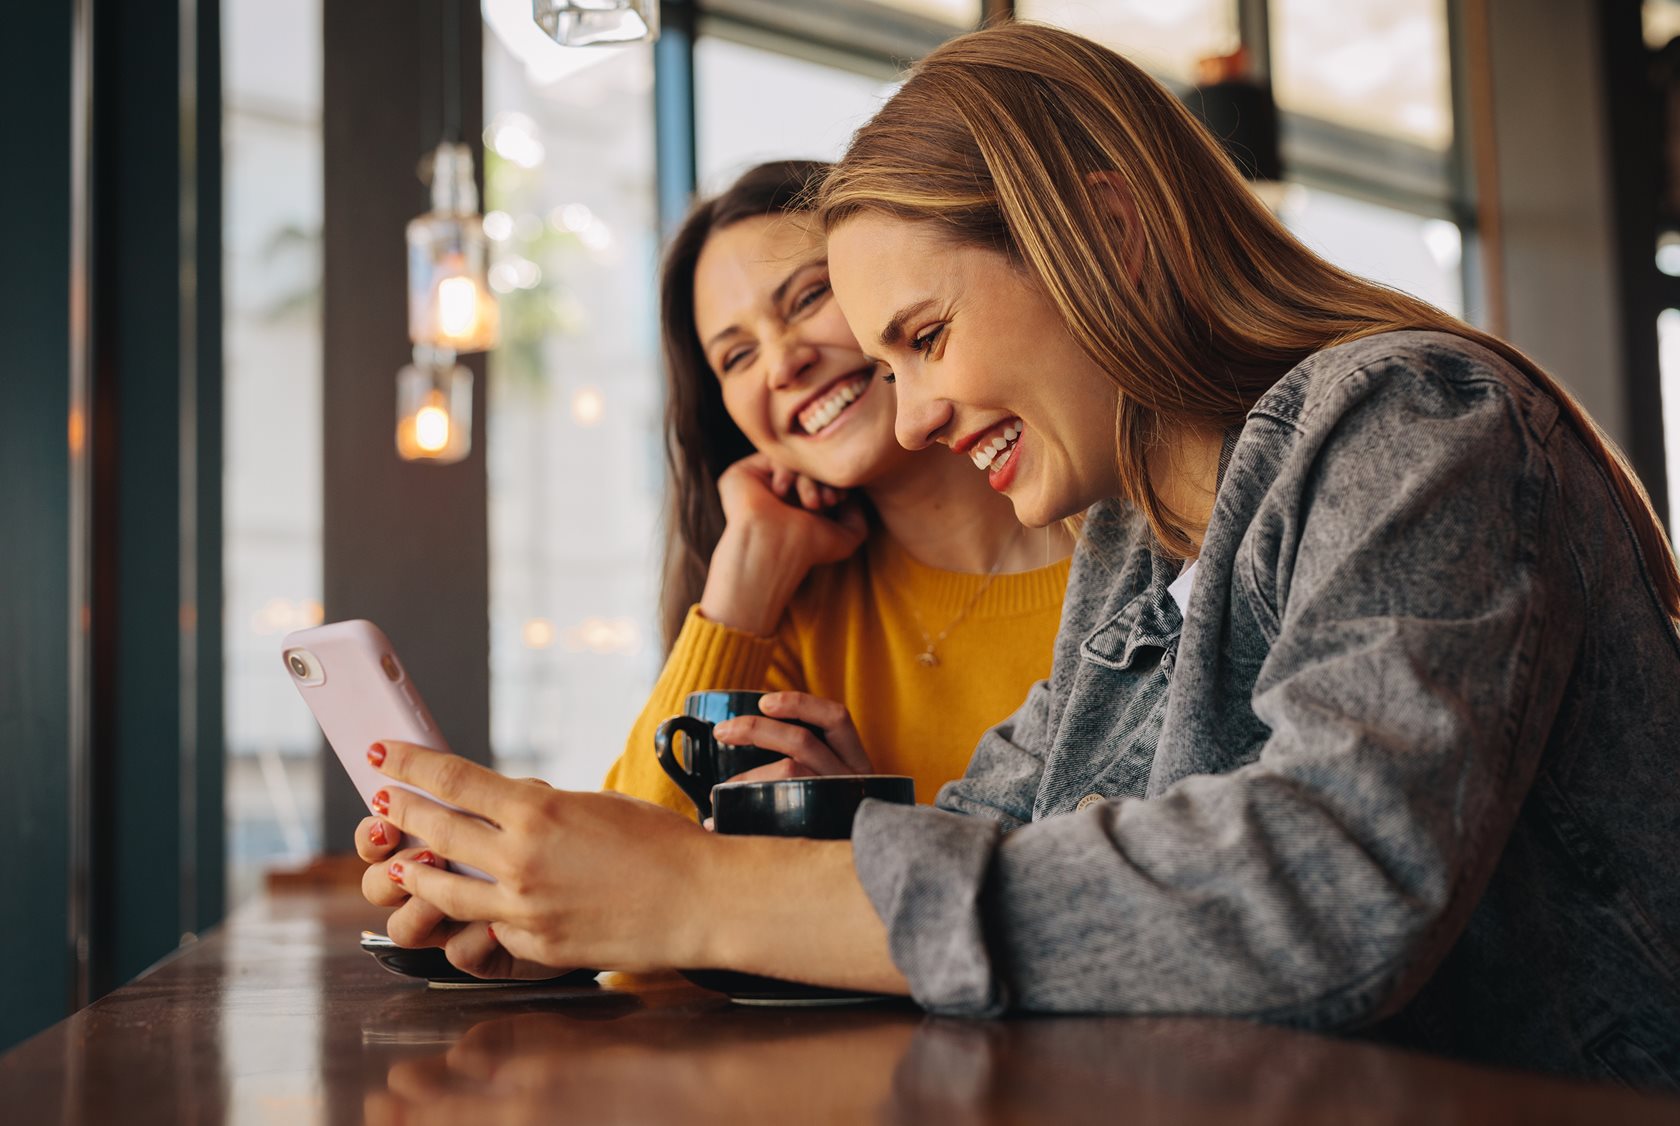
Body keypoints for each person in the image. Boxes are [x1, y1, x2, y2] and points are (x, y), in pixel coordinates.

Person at [355, 25, 1680, 1087]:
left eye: (924, 336)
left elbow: (1328, 885)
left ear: (1104, 229)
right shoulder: (1133, 549)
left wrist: (693, 889)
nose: (915, 412)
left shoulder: (1412, 422)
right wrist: (554, 907)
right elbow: (988, 836)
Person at [601, 159, 1072, 812]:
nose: (784, 363)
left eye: (808, 298)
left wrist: (879, 836)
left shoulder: (1136, 537)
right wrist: (746, 574)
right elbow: (629, 877)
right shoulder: (787, 619)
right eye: (737, 357)